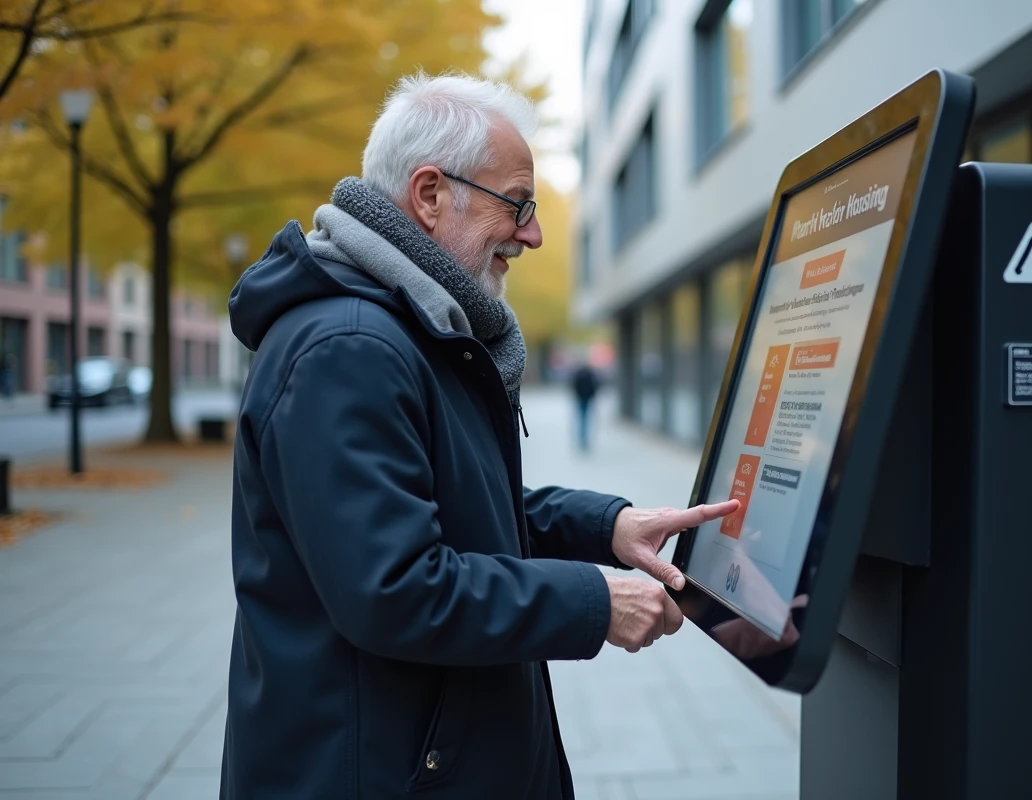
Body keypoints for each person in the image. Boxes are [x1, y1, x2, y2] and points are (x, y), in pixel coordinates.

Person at [220, 72, 737, 800]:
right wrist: (595, 602)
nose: (533, 233)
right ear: (430, 195)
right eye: (518, 204)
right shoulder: (349, 348)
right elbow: (395, 587)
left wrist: (608, 527)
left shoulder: (407, 328)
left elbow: (461, 506)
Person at [570, 359, 600, 451]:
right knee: (585, 419)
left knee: (582, 419)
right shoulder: (590, 374)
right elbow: (595, 386)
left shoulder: (578, 374)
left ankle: (582, 439)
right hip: (587, 399)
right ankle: (584, 440)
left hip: (581, 399)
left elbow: (574, 386)